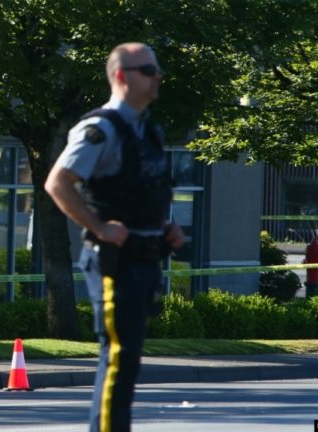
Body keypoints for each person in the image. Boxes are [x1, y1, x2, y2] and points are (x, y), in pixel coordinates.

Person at [45, 42, 185, 432]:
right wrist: (99, 226)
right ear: (122, 76)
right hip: (114, 262)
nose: (157, 76)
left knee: (128, 362)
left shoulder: (148, 131)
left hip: (145, 258)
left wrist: (166, 229)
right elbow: (58, 183)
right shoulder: (101, 129)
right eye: (147, 69)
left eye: (156, 69)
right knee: (119, 360)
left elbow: (146, 192)